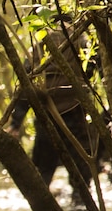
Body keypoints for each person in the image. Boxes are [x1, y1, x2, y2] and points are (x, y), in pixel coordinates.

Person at [7, 30, 100, 194]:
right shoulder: (81, 42)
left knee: (42, 174)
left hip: (47, 116)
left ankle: (45, 206)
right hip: (76, 114)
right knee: (81, 176)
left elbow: (25, 88)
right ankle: (80, 207)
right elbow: (94, 70)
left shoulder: (38, 45)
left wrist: (15, 123)